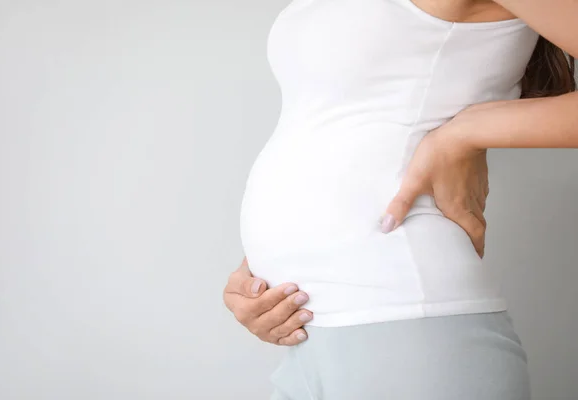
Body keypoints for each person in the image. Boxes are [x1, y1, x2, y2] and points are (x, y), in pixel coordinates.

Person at [223, 0, 577, 398]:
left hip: (408, 321)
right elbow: (331, 123)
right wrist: (260, 276)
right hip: (311, 333)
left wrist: (466, 132)